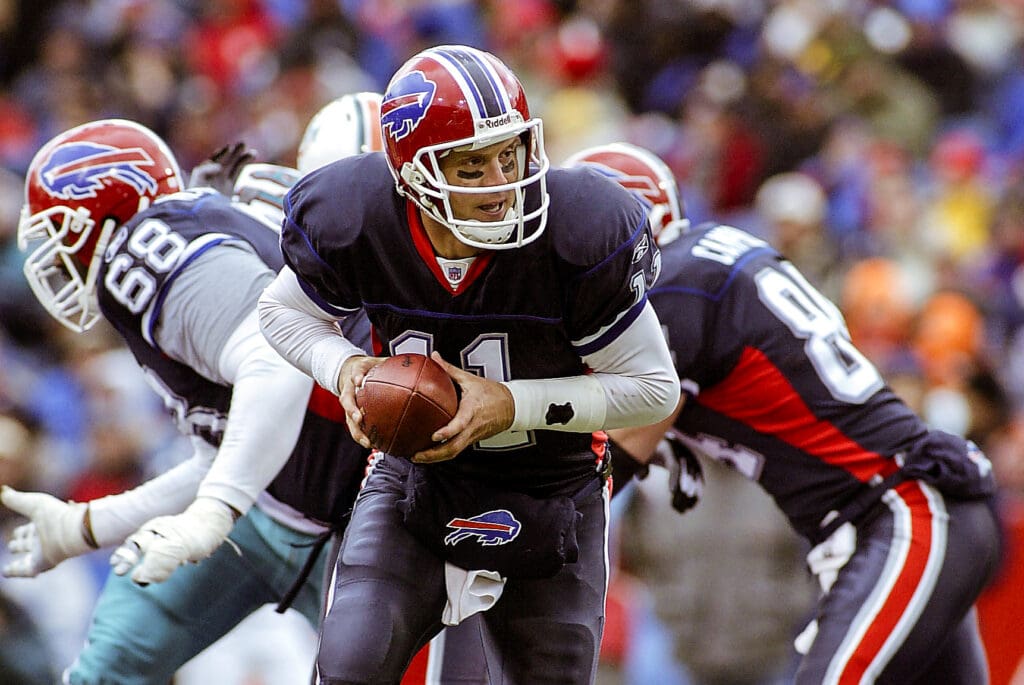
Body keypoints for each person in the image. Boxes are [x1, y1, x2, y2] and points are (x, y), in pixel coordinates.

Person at [257, 44, 680, 684]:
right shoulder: (358, 214)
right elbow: (280, 313)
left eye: (508, 153)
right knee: (347, 669)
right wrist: (345, 369)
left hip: (553, 481)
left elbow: (654, 389)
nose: (501, 180)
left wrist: (509, 404)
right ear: (411, 172)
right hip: (413, 478)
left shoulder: (579, 230)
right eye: (473, 164)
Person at [567, 142, 1001, 684]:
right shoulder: (705, 266)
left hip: (902, 516)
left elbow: (603, 470)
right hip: (896, 520)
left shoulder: (674, 291)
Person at [3, 112, 374, 684]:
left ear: (103, 218)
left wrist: (211, 513)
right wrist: (87, 526)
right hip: (276, 508)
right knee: (105, 670)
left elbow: (276, 360)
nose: (53, 258)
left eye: (61, 232)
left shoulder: (142, 252)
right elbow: (226, 450)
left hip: (349, 524)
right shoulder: (184, 242)